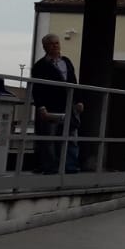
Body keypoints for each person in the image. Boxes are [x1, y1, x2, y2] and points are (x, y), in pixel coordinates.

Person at [30, 34, 82, 174]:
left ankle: (70, 166)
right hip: (51, 106)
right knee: (50, 139)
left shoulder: (67, 62)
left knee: (71, 137)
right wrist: (41, 107)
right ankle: (50, 167)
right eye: (52, 44)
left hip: (68, 105)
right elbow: (37, 88)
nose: (55, 46)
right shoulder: (40, 66)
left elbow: (73, 82)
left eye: (57, 43)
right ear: (45, 47)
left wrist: (78, 101)